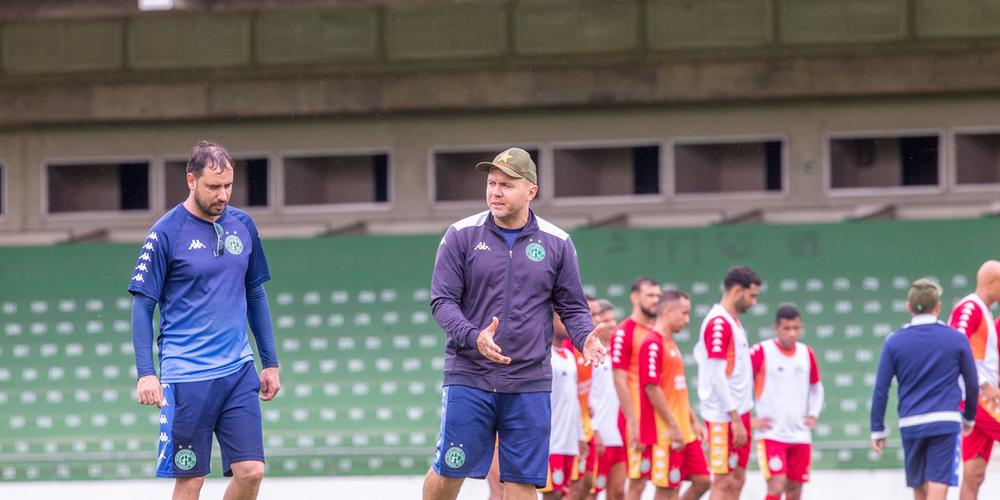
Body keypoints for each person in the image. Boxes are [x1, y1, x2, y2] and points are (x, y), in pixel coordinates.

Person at [424, 147, 608, 500]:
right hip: (470, 375)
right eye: (491, 183)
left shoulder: (558, 243)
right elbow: (441, 302)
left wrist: (585, 338)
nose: (495, 192)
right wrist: (473, 336)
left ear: (531, 191)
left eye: (506, 185)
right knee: (450, 469)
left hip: (529, 381)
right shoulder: (460, 235)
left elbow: (571, 306)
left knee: (522, 481)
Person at [128, 140, 280, 500]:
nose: (223, 194)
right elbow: (142, 305)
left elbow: (256, 294)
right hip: (187, 377)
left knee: (252, 472)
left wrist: (270, 362)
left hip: (238, 371)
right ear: (191, 181)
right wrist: (146, 373)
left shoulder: (243, 225)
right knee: (192, 480)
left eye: (228, 185)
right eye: (214, 186)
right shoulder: (165, 233)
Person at [871, 279, 978, 500]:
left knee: (919, 489)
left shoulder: (894, 341)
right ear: (938, 306)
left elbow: (881, 388)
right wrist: (968, 417)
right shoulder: (956, 339)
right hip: (945, 421)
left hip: (911, 423)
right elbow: (972, 383)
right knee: (938, 488)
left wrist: (877, 429)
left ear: (908, 307)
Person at [692, 266, 760, 500]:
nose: (754, 302)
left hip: (739, 414)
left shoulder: (733, 322)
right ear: (737, 291)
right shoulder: (718, 323)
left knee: (738, 479)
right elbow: (716, 374)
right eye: (751, 296)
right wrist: (734, 417)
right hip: (723, 417)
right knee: (723, 481)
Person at [638, 290, 710, 500]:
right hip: (666, 433)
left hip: (684, 430)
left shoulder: (671, 343)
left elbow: (676, 390)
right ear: (668, 311)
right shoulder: (652, 342)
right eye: (684, 313)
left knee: (703, 480)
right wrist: (673, 426)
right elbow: (651, 388)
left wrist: (693, 422)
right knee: (667, 489)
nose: (687, 320)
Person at [750, 305, 824, 500]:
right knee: (776, 484)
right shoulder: (761, 351)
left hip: (800, 434)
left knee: (795, 489)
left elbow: (817, 387)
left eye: (796, 328)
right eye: (787, 328)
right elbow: (737, 383)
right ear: (776, 328)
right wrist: (748, 419)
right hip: (772, 433)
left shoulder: (806, 353)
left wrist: (813, 414)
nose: (792, 333)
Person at [948, 260, 1000, 500]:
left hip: (979, 400)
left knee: (975, 473)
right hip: (976, 397)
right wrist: (982, 382)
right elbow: (954, 345)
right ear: (993, 282)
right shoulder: (971, 306)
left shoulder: (986, 313)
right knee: (973, 473)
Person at [611, 277, 662, 500]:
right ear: (634, 297)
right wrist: (633, 422)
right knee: (636, 481)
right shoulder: (624, 332)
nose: (655, 301)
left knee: (659, 479)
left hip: (655, 419)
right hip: (635, 420)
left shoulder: (656, 332)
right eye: (650, 295)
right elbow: (619, 380)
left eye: (658, 296)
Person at [540, 315, 588, 499]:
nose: (571, 321)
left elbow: (573, 399)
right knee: (551, 494)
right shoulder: (543, 354)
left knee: (564, 493)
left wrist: (580, 435)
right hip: (551, 441)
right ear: (550, 317)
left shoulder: (569, 355)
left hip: (568, 441)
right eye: (564, 317)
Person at [587, 298, 626, 500]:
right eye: (605, 319)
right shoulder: (588, 353)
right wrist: (594, 430)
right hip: (599, 433)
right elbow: (583, 396)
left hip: (618, 434)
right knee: (591, 492)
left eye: (613, 319)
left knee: (618, 493)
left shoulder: (618, 354)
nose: (611, 323)